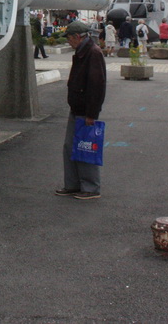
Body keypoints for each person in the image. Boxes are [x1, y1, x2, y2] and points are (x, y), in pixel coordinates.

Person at [56, 21, 106, 201]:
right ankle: (73, 184)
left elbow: (97, 86)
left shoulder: (92, 53)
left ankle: (91, 187)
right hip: (77, 108)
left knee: (85, 147)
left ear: (78, 37)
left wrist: (92, 113)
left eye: (69, 38)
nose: (68, 42)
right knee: (70, 147)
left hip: (85, 110)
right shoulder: (82, 52)